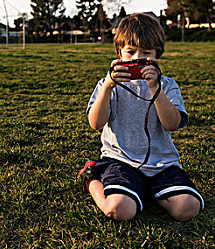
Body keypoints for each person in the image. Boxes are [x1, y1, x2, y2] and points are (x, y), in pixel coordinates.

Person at [79, 13, 204, 222]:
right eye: (131, 52)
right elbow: (95, 123)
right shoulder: (107, 85)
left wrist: (155, 88)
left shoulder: (167, 85)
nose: (137, 58)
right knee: (119, 210)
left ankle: (148, 191)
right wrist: (108, 86)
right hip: (121, 161)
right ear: (119, 53)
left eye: (146, 53)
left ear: (157, 55)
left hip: (162, 165)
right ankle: (92, 179)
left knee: (188, 208)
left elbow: (172, 124)